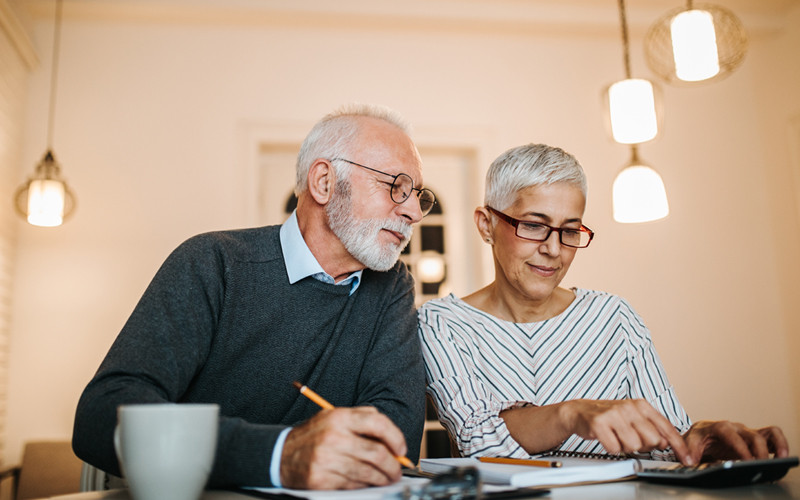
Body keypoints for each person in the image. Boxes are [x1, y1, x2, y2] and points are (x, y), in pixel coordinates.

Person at [73, 104, 437, 490]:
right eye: (395, 185)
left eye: (417, 194)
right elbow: (102, 416)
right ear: (324, 182)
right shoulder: (214, 262)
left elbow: (394, 441)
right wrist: (279, 455)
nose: (413, 211)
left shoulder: (391, 286)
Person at [418, 143, 789, 466]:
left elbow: (666, 446)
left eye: (570, 230)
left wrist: (702, 439)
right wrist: (571, 414)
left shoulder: (615, 318)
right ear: (486, 225)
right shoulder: (441, 324)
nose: (553, 248)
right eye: (534, 225)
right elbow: (480, 443)